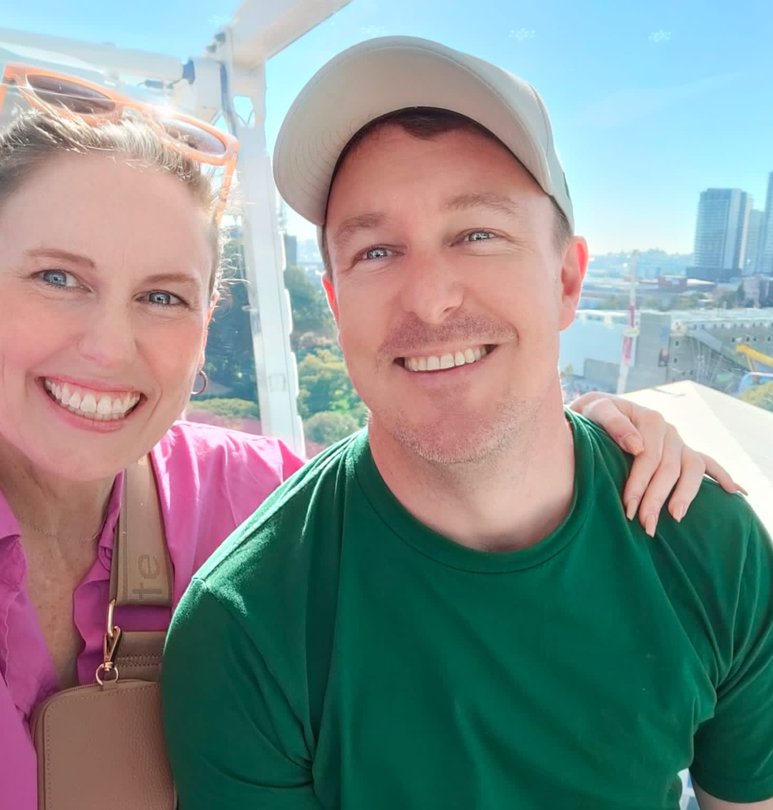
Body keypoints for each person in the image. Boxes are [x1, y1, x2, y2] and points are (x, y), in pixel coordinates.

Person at [0, 68, 718, 810]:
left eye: (161, 296)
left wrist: (585, 433)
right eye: (56, 278)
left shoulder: (238, 492)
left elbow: (430, 464)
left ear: (205, 322)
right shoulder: (243, 575)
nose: (108, 348)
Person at [162, 36, 773, 809]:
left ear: (566, 279)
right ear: (335, 307)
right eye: (375, 252)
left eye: (477, 235)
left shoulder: (706, 541)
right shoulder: (249, 626)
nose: (431, 299)